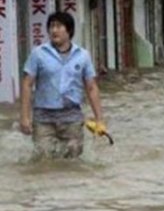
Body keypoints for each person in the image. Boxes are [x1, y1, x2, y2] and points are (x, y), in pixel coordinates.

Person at [19, 12, 105, 159]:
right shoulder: (38, 54)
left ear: (69, 30)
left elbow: (91, 88)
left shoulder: (83, 55)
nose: (54, 30)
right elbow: (27, 84)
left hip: (72, 116)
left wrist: (99, 119)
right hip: (43, 117)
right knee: (43, 158)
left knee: (73, 157)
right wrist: (25, 117)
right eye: (51, 26)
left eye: (59, 26)